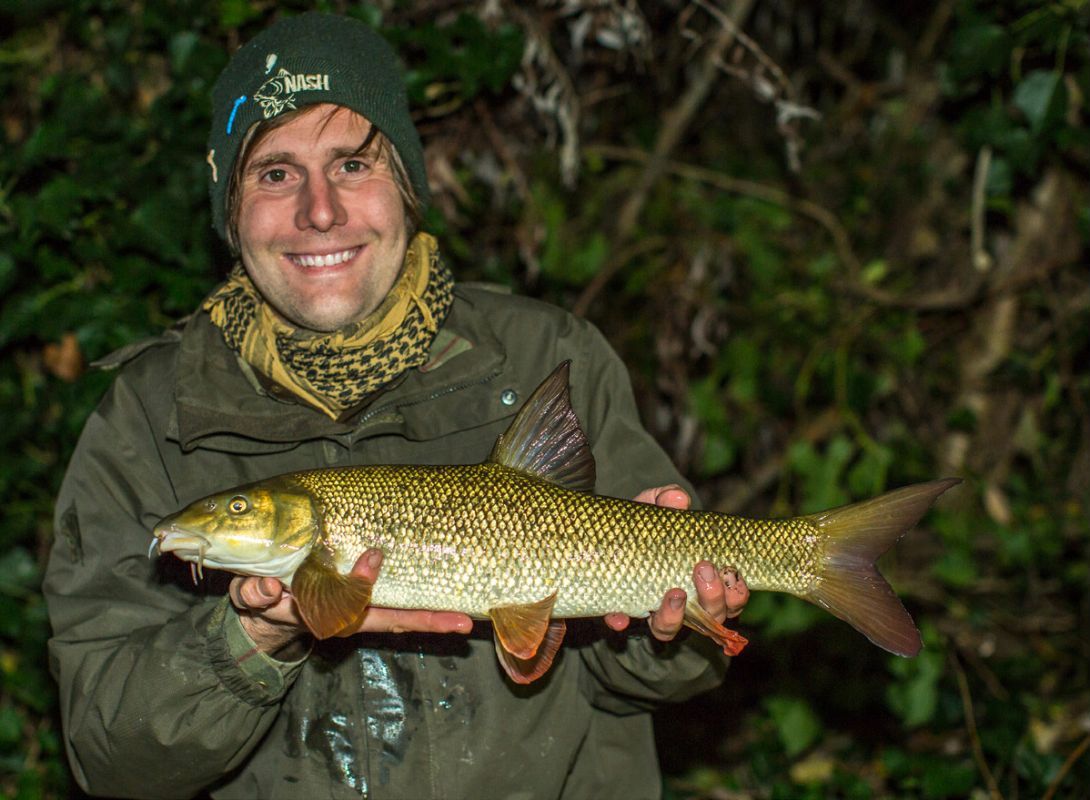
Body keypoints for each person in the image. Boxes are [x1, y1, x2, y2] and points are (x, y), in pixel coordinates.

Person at [44, 12, 748, 799]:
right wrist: (252, 640)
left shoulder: (548, 356)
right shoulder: (150, 416)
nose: (319, 211)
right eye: (275, 173)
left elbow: (669, 676)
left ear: (407, 186)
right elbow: (110, 759)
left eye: (352, 165)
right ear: (229, 214)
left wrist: (665, 630)